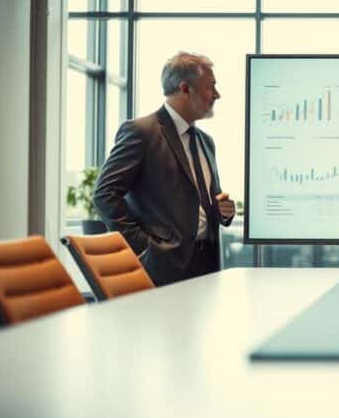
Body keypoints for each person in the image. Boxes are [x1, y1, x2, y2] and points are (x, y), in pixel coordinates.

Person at [94, 51, 236, 286]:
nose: (217, 94)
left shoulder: (205, 141)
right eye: (211, 86)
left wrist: (223, 211)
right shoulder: (141, 132)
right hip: (164, 267)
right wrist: (145, 247)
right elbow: (104, 195)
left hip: (207, 266)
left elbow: (206, 201)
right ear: (185, 88)